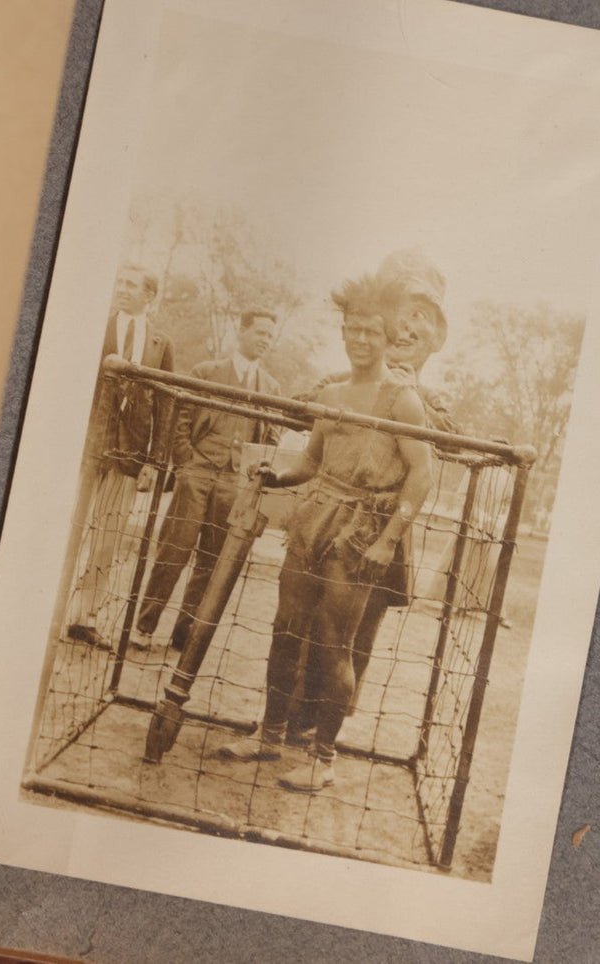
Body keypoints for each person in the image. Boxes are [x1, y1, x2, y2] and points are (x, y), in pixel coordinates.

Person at [219, 274, 434, 792]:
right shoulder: (333, 393)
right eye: (353, 329)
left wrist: (387, 540)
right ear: (343, 332)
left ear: (388, 338)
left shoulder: (402, 400)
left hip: (358, 535)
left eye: (371, 332)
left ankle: (323, 758)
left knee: (336, 644)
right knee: (285, 630)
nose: (361, 339)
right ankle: (269, 735)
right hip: (312, 522)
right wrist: (277, 475)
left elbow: (423, 474)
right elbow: (312, 463)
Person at [286, 249, 457, 742]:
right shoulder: (340, 382)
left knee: (359, 628)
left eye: (421, 318)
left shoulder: (428, 398)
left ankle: (330, 725)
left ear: (436, 337)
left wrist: (409, 399)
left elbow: (449, 438)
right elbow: (299, 407)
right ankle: (292, 715)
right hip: (328, 521)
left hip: (384, 528)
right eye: (400, 313)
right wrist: (357, 394)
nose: (407, 329)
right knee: (306, 622)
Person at [131, 310, 283, 651]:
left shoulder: (271, 387)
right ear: (242, 331)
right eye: (259, 332)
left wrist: (252, 474)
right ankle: (144, 626)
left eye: (270, 336)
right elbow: (180, 417)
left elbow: (273, 435)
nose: (264, 340)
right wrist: (186, 462)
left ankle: (183, 633)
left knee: (212, 561)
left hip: (234, 482)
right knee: (174, 551)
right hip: (196, 473)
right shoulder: (206, 372)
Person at [64, 263, 175, 645]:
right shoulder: (96, 327)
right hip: (86, 447)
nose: (123, 288)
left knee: (107, 540)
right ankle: (46, 607)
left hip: (128, 455)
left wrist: (154, 461)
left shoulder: (161, 343)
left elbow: (165, 405)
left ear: (150, 294)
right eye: (121, 282)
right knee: (67, 527)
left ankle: (83, 618)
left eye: (132, 284)